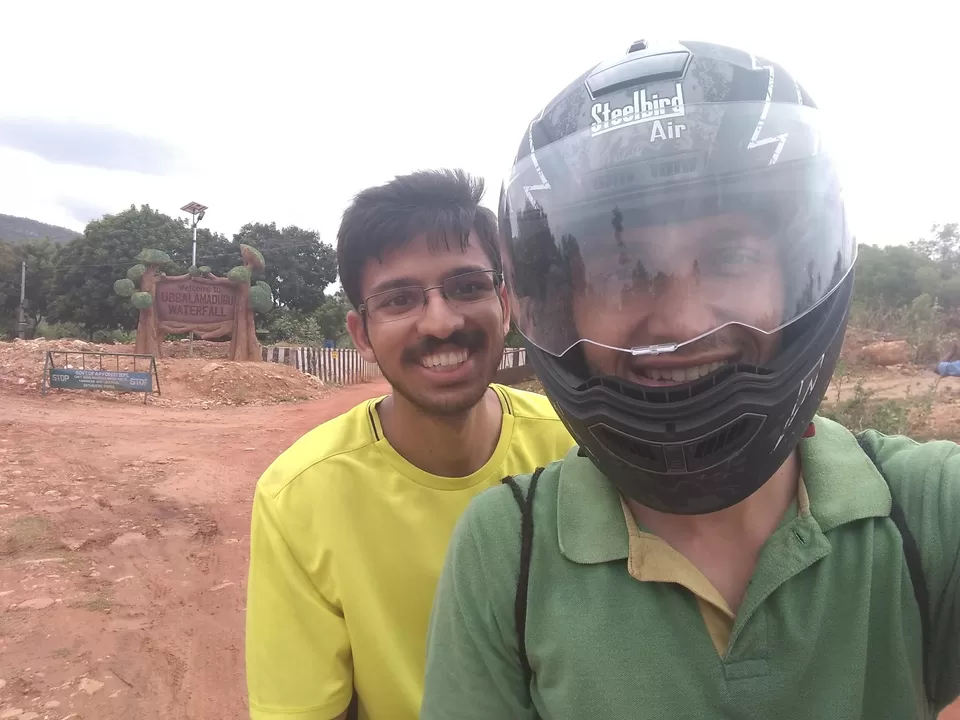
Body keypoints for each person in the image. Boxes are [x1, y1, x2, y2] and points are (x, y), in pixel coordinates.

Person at [420, 40, 960, 720]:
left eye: (729, 256)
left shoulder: (927, 509)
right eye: (623, 270)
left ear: (795, 275)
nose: (678, 316)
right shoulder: (511, 548)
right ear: (563, 303)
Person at [244, 168, 576, 720]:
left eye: (467, 287)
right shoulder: (299, 499)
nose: (441, 323)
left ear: (505, 303)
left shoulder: (578, 450)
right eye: (400, 300)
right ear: (361, 335)